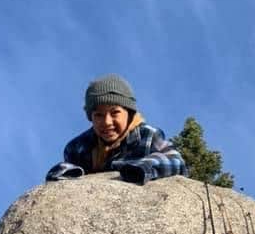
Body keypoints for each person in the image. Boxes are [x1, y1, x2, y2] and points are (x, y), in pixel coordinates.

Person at [46, 75, 186, 185]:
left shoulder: (148, 136)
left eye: (114, 113)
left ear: (129, 112)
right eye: (98, 115)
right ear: (91, 117)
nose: (107, 122)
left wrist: (142, 167)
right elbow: (64, 170)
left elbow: (176, 161)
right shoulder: (78, 147)